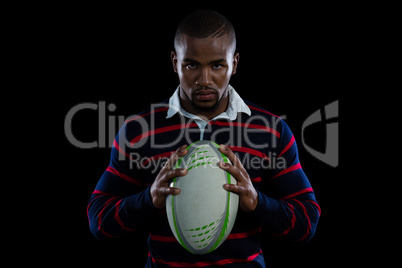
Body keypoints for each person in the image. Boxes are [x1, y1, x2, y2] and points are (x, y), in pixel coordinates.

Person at [87, 10, 320, 267]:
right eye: (191, 65)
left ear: (235, 63)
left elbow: (307, 223)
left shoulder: (270, 130)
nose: (204, 80)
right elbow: (99, 220)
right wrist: (149, 199)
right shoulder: (139, 131)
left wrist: (257, 202)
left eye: (217, 65)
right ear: (175, 62)